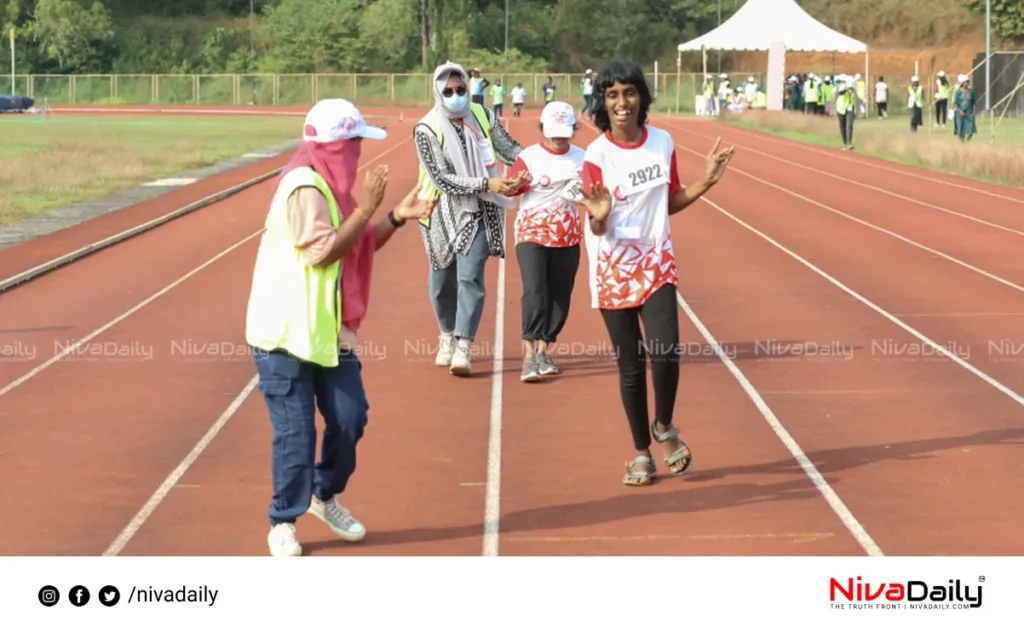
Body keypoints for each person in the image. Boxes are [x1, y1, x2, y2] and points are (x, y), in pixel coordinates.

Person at [245, 99, 435, 557]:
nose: (357, 155)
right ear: (335, 146)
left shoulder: (334, 190)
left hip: (327, 333)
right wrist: (367, 210)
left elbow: (358, 243)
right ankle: (282, 520)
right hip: (286, 335)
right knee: (296, 434)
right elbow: (322, 252)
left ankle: (323, 493)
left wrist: (393, 217)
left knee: (351, 418)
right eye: (353, 144)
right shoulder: (304, 187)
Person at [576, 60, 734, 486]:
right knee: (631, 365)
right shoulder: (596, 155)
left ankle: (663, 424)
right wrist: (600, 216)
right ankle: (641, 453)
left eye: (629, 93)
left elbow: (669, 200)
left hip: (657, 263)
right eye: (612, 95)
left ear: (642, 97)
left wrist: (706, 182)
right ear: (602, 104)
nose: (621, 102)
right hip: (612, 267)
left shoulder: (662, 142)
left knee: (665, 351)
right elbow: (595, 222)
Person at [413, 61, 529, 376]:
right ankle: (447, 334)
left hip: (479, 207)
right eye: (448, 91)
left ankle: (463, 345)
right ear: (438, 92)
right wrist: (486, 183)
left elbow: (510, 150)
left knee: (470, 277)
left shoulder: (482, 115)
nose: (456, 96)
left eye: (461, 89)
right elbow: (441, 178)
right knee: (440, 281)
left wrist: (531, 167)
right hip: (438, 210)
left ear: (468, 88)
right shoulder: (426, 128)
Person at [506, 101, 585, 382]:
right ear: (542, 129)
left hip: (568, 235)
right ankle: (528, 356)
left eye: (565, 131)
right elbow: (512, 189)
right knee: (535, 289)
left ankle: (543, 350)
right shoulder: (529, 157)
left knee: (560, 296)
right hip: (532, 233)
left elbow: (595, 193)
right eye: (553, 131)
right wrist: (517, 184)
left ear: (575, 129)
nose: (559, 137)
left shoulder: (584, 158)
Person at [953, 74, 976, 142]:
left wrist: (974, 109)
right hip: (959, 113)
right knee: (960, 129)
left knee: (971, 128)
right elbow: (955, 103)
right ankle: (962, 142)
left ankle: (968, 140)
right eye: (966, 81)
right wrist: (959, 110)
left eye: (968, 81)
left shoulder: (971, 91)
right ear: (962, 83)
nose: (968, 83)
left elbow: (974, 102)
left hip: (969, 112)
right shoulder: (958, 92)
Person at [835, 75, 856, 150]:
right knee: (842, 126)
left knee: (849, 125)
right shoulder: (842, 86)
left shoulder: (854, 88)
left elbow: (856, 96)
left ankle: (849, 143)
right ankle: (845, 143)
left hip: (850, 108)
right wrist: (846, 89)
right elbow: (839, 93)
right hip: (840, 108)